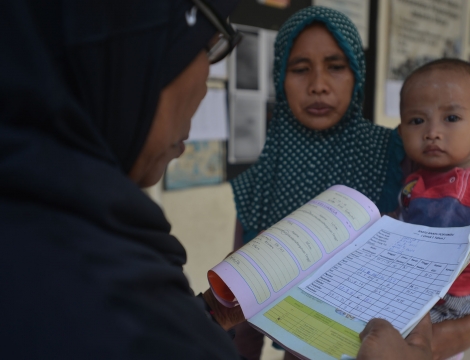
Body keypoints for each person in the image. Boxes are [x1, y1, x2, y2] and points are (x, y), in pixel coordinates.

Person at [0, 0, 434, 359]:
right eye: (201, 51)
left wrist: (205, 316)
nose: (206, 83)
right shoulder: (99, 284)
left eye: (335, 66)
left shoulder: (397, 152)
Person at [229, 7, 470, 360]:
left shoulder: (399, 151)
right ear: (279, 77)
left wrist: (448, 333)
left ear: (357, 74)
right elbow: (239, 296)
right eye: (300, 69)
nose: (318, 84)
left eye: (336, 66)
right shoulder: (261, 178)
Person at [397, 58, 470, 359]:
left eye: (451, 118)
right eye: (416, 121)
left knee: (389, 329)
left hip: (454, 298)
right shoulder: (439, 174)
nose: (432, 132)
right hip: (449, 292)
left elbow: (429, 255)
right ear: (400, 132)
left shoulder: (462, 190)